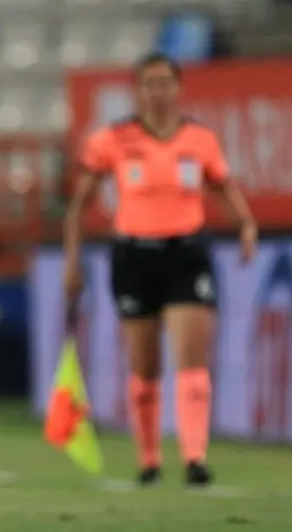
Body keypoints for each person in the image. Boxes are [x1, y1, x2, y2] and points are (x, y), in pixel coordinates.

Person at [63, 52, 258, 487]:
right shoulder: (113, 139)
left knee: (192, 360)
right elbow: (79, 206)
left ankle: (195, 458)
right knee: (145, 366)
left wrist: (245, 225)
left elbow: (223, 185)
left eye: (165, 82)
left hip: (186, 254)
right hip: (134, 256)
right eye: (150, 83)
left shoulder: (200, 139)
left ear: (178, 88)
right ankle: (149, 460)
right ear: (138, 90)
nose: (158, 91)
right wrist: (73, 261)